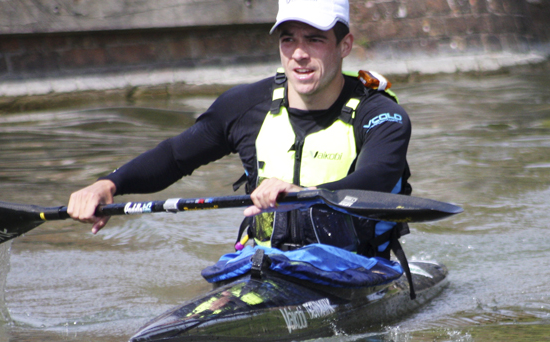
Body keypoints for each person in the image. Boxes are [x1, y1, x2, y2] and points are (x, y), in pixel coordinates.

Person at [67, 0, 412, 258]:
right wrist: (109, 184)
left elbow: (376, 179)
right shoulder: (245, 106)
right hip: (264, 264)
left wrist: (301, 192)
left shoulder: (382, 115)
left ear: (345, 45)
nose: (298, 54)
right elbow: (174, 156)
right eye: (288, 40)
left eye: (314, 40)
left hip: (356, 266)